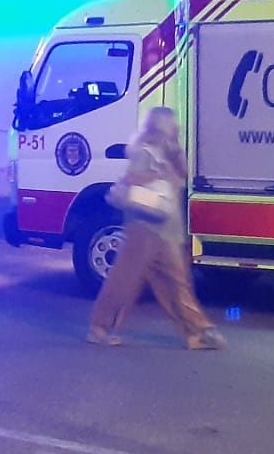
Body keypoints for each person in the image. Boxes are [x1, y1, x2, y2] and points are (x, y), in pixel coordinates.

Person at [88, 107, 224, 350]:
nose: (176, 128)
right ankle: (102, 326)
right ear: (161, 126)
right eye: (172, 124)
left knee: (176, 282)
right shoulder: (143, 152)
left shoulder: (169, 153)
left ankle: (196, 332)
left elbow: (183, 177)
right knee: (126, 280)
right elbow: (131, 180)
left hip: (167, 227)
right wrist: (156, 175)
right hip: (143, 225)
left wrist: (174, 157)